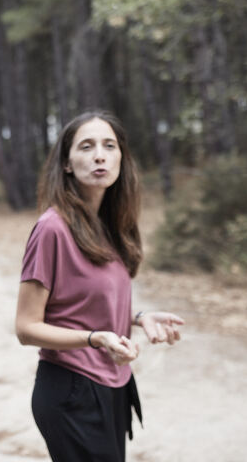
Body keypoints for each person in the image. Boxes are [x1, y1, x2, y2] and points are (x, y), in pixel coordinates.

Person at [14, 111, 184, 462]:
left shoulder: (109, 224)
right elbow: (26, 328)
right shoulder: (52, 229)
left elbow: (82, 302)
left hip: (114, 383)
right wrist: (96, 338)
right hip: (72, 389)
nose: (99, 156)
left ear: (121, 157)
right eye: (86, 147)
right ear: (66, 163)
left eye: (109, 146)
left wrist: (139, 317)